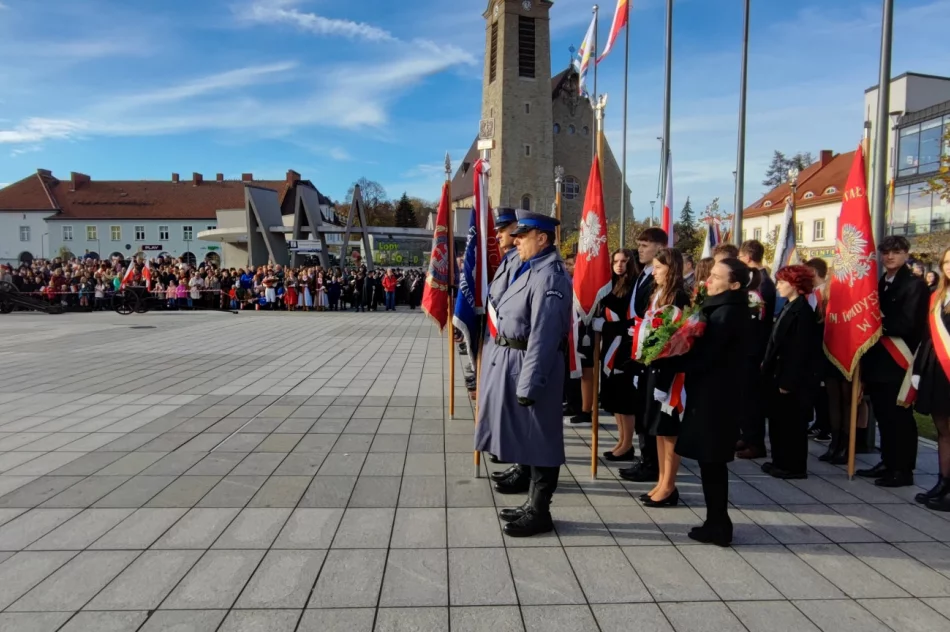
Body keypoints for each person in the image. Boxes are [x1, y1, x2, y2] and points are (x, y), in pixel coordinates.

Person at [476, 210, 572, 537]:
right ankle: (531, 503)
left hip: (533, 364)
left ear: (542, 238)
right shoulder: (531, 268)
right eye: (515, 235)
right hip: (515, 358)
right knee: (528, 436)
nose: (515, 240)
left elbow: (545, 336)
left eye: (523, 235)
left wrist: (530, 382)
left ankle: (540, 511)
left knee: (542, 439)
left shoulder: (551, 276)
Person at [657, 258, 755, 546]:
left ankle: (719, 525)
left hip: (716, 399)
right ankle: (716, 521)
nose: (707, 281)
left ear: (734, 284)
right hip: (712, 395)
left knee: (712, 461)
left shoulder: (726, 314)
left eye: (715, 277)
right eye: (709, 275)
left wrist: (670, 358)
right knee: (710, 462)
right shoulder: (723, 308)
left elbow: (708, 358)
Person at [858, 236, 930, 487]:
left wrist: (877, 324)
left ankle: (903, 469)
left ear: (906, 254)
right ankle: (888, 461)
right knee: (884, 416)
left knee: (899, 418)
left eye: (896, 252)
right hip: (880, 360)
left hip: (900, 361)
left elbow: (910, 324)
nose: (890, 257)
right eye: (886, 252)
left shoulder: (914, 285)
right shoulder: (881, 283)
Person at [484, 208, 533, 494]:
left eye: (503, 229)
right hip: (505, 343)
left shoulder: (524, 262)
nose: (499, 235)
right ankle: (519, 464)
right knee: (512, 413)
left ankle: (526, 470)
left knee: (522, 416)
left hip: (521, 349)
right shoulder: (509, 259)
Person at [640, 247, 691, 506]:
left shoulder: (679, 296)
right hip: (656, 366)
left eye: (659, 267)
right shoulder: (659, 294)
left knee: (669, 430)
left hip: (671, 371)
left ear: (671, 269)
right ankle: (661, 480)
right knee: (658, 429)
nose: (654, 272)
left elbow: (678, 337)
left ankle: (669, 486)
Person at [761, 265, 820, 479]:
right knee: (779, 422)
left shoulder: (803, 312)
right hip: (777, 375)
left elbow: (799, 351)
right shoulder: (789, 306)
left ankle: (793, 466)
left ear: (794, 284)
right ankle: (779, 460)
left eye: (782, 282)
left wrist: (788, 381)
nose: (778, 286)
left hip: (792, 380)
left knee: (792, 424)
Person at [619, 227, 668, 484]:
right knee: (639, 407)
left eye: (645, 245)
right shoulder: (643, 273)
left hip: (648, 349)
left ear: (660, 248)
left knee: (648, 409)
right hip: (636, 344)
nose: (639, 249)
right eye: (639, 244)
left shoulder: (659, 279)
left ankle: (651, 462)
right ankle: (644, 457)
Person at [591, 249, 639, 462]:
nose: (619, 265)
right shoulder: (610, 284)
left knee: (624, 400)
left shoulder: (633, 287)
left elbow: (632, 322)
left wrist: (607, 326)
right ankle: (621, 440)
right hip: (610, 346)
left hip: (625, 348)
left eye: (624, 261)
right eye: (615, 261)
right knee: (614, 399)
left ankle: (627, 444)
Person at [913, 246, 950, 511]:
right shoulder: (938, 296)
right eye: (946, 261)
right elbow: (928, 336)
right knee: (942, 429)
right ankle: (943, 482)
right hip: (937, 369)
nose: (949, 266)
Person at [735, 240, 776, 460]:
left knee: (752, 398)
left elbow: (756, 320)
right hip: (748, 349)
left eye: (740, 257)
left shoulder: (762, 284)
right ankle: (748, 435)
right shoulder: (755, 281)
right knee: (745, 397)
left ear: (748, 257)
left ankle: (755, 441)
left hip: (754, 349)